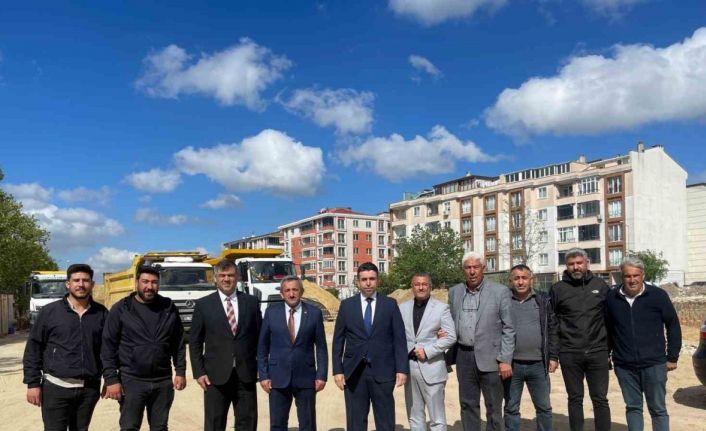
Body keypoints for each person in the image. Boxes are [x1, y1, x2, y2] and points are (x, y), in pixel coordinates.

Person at [23, 263, 108, 431]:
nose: (81, 284)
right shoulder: (50, 312)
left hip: (89, 389)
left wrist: (111, 379)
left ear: (92, 284)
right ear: (68, 284)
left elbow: (108, 350)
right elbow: (34, 349)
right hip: (56, 388)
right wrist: (33, 384)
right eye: (76, 280)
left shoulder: (102, 313)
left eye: (85, 280)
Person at [101, 265, 186, 431]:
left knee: (160, 427)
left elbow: (178, 343)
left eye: (154, 282)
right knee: (129, 427)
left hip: (162, 381)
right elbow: (108, 346)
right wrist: (111, 379)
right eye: (145, 282)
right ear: (137, 283)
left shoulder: (168, 308)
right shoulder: (122, 308)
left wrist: (180, 371)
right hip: (132, 381)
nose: (149, 286)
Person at [606, 256, 682, 431]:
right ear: (622, 277)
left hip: (654, 364)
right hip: (624, 365)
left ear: (643, 275)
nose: (632, 280)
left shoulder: (658, 295)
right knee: (633, 407)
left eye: (636, 275)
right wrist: (607, 354)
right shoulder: (612, 297)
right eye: (627, 276)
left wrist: (672, 357)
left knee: (658, 409)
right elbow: (608, 328)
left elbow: (672, 325)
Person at [332, 261, 409, 431]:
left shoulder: (390, 304)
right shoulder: (347, 306)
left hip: (383, 371)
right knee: (356, 422)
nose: (368, 283)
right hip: (354, 372)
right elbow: (338, 340)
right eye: (364, 279)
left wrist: (402, 369)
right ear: (358, 282)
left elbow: (399, 339)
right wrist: (337, 370)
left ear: (377, 280)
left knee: (385, 420)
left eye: (372, 279)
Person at [189, 259, 262, 431]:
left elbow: (260, 338)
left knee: (247, 423)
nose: (226, 279)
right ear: (215, 278)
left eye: (230, 275)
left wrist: (261, 366)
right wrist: (199, 372)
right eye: (222, 275)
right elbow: (195, 342)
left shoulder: (251, 303)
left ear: (237, 277)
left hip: (246, 374)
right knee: (215, 423)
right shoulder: (203, 305)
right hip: (215, 376)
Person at [447, 251, 514, 431]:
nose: (472, 271)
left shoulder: (500, 292)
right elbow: (450, 321)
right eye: (468, 267)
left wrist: (505, 359)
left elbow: (509, 328)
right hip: (464, 356)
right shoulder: (454, 292)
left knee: (493, 406)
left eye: (476, 267)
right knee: (467, 404)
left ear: (483, 268)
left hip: (492, 357)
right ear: (463, 270)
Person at [550, 247, 611, 431]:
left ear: (587, 263)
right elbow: (552, 323)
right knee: (575, 399)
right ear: (566, 266)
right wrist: (554, 354)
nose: (576, 267)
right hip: (570, 353)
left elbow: (610, 319)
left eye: (579, 263)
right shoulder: (558, 289)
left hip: (598, 352)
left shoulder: (601, 286)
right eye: (571, 264)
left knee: (600, 399)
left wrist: (609, 349)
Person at [257, 276, 328, 430]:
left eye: (295, 290)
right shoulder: (271, 313)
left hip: (306, 377)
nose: (291, 294)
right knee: (277, 424)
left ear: (301, 291)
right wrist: (263, 375)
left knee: (308, 424)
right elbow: (262, 346)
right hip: (277, 377)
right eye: (287, 290)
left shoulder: (314, 313)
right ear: (281, 294)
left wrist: (321, 375)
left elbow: (321, 348)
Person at [503, 264, 559, 431]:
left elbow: (552, 328)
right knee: (511, 408)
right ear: (511, 280)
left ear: (531, 279)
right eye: (516, 278)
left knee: (544, 408)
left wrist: (553, 356)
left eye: (524, 278)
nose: (520, 282)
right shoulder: (503, 300)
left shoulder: (543, 299)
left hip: (538, 364)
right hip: (511, 365)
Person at [399, 273, 456, 431]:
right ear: (412, 287)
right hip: (410, 368)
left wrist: (428, 351)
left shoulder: (441, 308)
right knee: (414, 416)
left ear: (430, 287)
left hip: (432, 367)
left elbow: (451, 336)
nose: (421, 287)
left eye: (424, 284)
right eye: (417, 284)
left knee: (437, 419)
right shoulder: (402, 308)